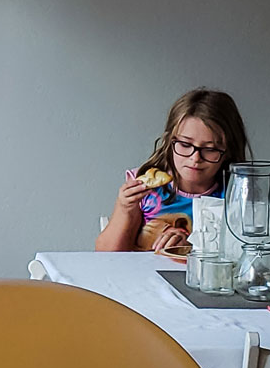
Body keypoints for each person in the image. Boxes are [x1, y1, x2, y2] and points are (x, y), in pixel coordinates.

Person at [95, 88, 252, 252]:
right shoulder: (145, 189)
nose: (195, 158)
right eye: (185, 145)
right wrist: (124, 208)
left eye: (210, 149)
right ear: (170, 141)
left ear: (228, 151)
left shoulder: (236, 196)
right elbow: (106, 254)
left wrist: (191, 248)